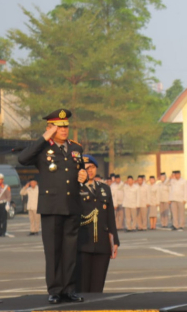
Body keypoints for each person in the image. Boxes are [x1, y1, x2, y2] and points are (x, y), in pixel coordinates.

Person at [18, 109, 86, 304]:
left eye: (66, 126)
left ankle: (70, 289)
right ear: (50, 128)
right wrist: (43, 138)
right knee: (53, 251)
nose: (64, 130)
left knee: (70, 251)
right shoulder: (42, 149)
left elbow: (79, 172)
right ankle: (55, 290)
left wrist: (84, 175)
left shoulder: (76, 148)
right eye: (59, 127)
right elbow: (22, 159)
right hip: (51, 207)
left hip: (72, 205)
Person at [75, 155, 119, 293]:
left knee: (98, 287)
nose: (90, 171)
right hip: (83, 244)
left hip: (102, 245)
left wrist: (115, 241)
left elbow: (110, 216)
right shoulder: (75, 189)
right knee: (82, 287)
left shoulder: (104, 188)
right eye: (86, 168)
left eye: (92, 167)